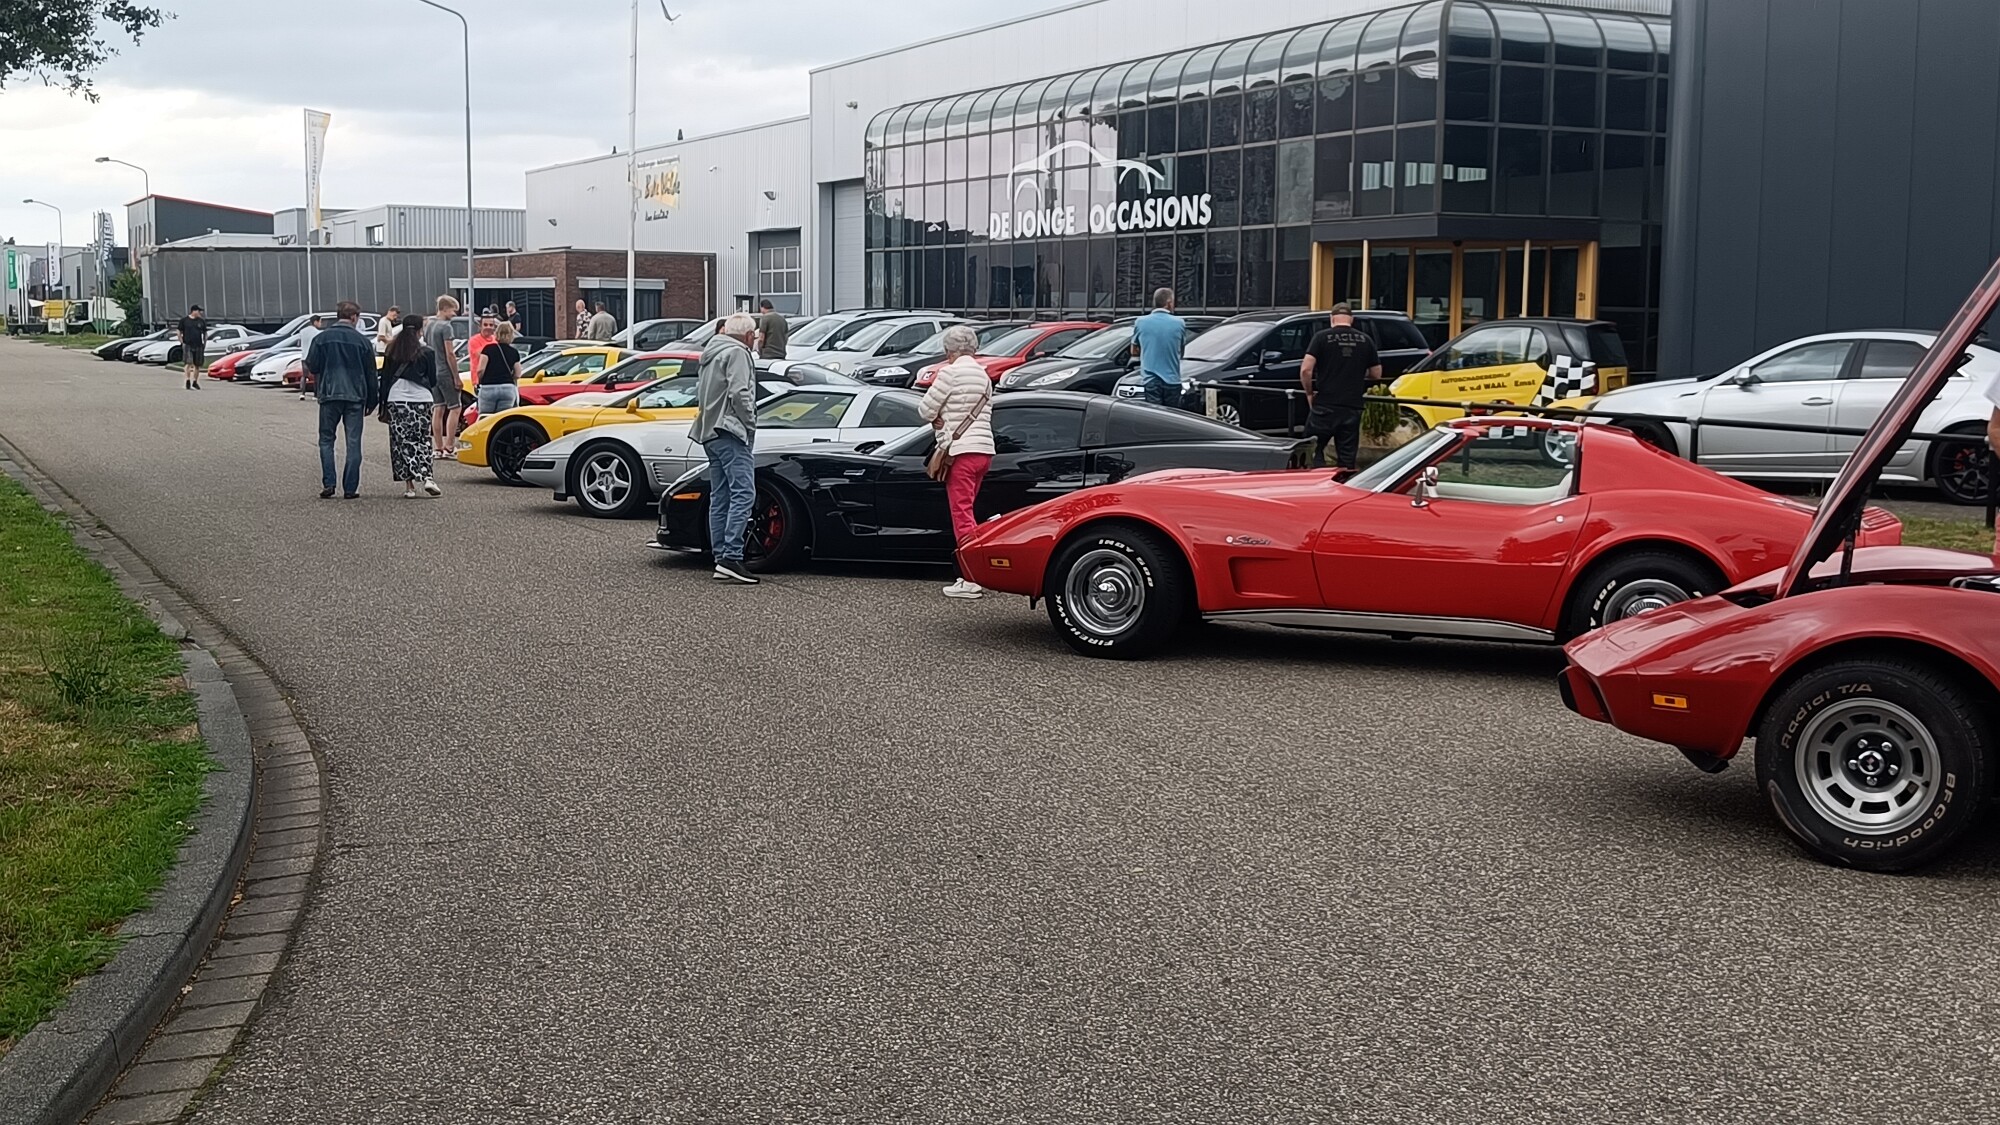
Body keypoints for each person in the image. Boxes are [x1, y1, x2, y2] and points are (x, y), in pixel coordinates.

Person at [919, 324, 997, 600]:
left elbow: (925, 409)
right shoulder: (984, 376)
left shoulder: (949, 373)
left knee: (961, 515)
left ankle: (970, 578)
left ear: (948, 351)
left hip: (961, 453)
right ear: (974, 349)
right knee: (970, 512)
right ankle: (975, 571)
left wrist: (938, 418)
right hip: (984, 452)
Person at [690, 312, 760, 585]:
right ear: (748, 335)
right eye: (755, 336)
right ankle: (732, 556)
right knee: (743, 493)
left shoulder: (711, 353)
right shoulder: (738, 353)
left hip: (709, 431)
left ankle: (721, 557)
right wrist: (750, 422)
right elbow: (740, 392)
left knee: (720, 496)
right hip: (730, 430)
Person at [303, 301, 379, 499]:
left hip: (329, 393)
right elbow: (371, 373)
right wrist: (372, 400)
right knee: (353, 442)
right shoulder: (362, 341)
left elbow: (313, 365)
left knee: (326, 439)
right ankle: (350, 488)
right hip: (355, 396)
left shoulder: (321, 339)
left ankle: (329, 482)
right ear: (354, 317)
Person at [1300, 303, 1383, 471]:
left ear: (1331, 318)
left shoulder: (1321, 337)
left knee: (1311, 449)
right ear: (1352, 319)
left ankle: (1314, 478)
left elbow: (1306, 370)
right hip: (1352, 405)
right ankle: (1343, 481)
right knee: (1347, 457)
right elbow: (1376, 374)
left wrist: (1309, 393)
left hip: (1325, 404)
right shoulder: (1365, 340)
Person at [380, 315, 443, 498]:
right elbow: (432, 380)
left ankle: (410, 486)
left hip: (397, 399)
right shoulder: (427, 352)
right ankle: (427, 476)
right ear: (419, 330)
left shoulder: (392, 350)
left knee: (401, 442)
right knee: (422, 439)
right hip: (422, 400)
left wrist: (382, 405)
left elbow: (385, 379)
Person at [1130, 287, 1187, 409]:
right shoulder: (1179, 323)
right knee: (1172, 415)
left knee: (1155, 416)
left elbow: (1133, 351)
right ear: (1169, 303)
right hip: (1172, 379)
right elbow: (1181, 351)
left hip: (1150, 379)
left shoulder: (1140, 322)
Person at [424, 295, 461, 459]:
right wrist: (456, 377)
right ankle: (449, 446)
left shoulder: (429, 325)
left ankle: (438, 447)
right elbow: (450, 354)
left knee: (438, 408)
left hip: (432, 371)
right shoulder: (446, 327)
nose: (454, 314)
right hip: (445, 371)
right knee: (455, 407)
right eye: (453, 310)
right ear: (445, 309)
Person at [476, 321, 522, 417]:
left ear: (497, 333)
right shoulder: (514, 352)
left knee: (485, 418)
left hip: (488, 387)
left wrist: (480, 381)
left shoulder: (488, 349)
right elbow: (518, 374)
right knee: (503, 418)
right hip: (507, 388)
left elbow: (480, 370)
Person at [176, 304, 207, 391]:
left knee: (197, 365)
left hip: (198, 345)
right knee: (188, 363)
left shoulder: (201, 321)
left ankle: (195, 382)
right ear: (194, 311)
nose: (200, 313)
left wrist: (204, 342)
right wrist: (181, 341)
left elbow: (205, 333)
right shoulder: (184, 320)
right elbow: (179, 331)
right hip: (188, 344)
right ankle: (187, 380)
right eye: (199, 311)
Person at [464, 313, 497, 389]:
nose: (488, 327)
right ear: (480, 326)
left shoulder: (496, 339)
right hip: (479, 381)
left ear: (494, 327)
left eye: (491, 325)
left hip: (494, 380)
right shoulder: (474, 340)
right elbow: (482, 355)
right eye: (485, 325)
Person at [296, 314, 323, 400]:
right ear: (315, 322)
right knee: (316, 376)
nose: (321, 324)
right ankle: (316, 395)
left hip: (304, 356)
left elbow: (298, 343)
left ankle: (302, 393)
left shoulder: (302, 331)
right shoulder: (317, 332)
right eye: (320, 322)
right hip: (314, 356)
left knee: (304, 375)